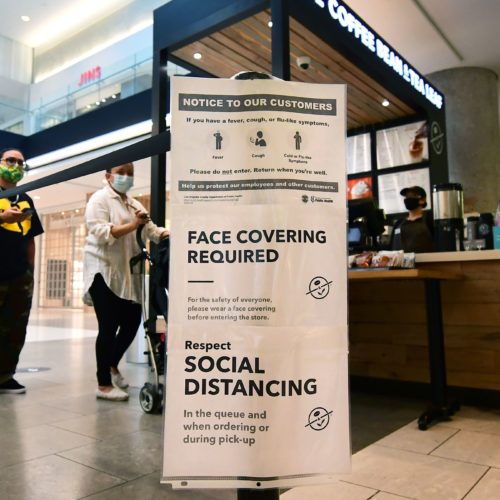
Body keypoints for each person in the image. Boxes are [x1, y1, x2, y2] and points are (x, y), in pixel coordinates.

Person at [83, 162, 168, 401]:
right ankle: (102, 384)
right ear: (108, 174)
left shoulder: (133, 203)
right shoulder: (99, 200)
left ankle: (111, 365)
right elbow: (100, 232)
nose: (126, 177)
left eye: (130, 173)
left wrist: (167, 233)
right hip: (104, 273)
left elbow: (150, 229)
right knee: (108, 328)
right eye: (121, 172)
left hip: (129, 274)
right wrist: (134, 225)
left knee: (131, 324)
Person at [0, 148, 44, 394]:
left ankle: (5, 376)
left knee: (15, 328)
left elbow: (30, 239)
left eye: (20, 162)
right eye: (10, 160)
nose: (16, 165)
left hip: (19, 276)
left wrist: (30, 271)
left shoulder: (25, 199)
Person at [390, 185, 434, 253]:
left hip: (424, 262)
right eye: (407, 196)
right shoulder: (398, 223)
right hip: (400, 263)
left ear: (422, 200)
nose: (408, 199)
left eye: (412, 196)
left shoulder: (430, 221)